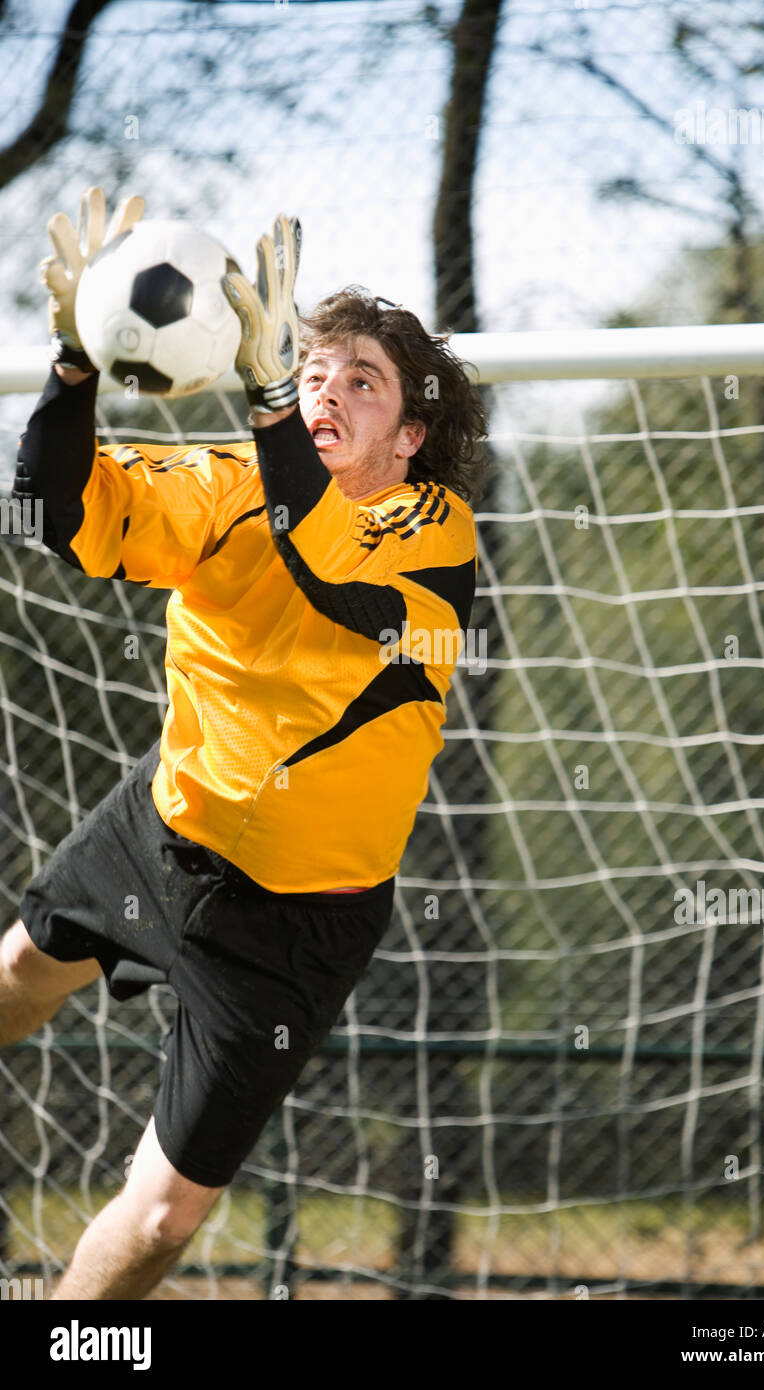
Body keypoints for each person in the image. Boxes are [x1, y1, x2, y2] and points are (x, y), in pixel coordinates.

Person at [0, 187, 487, 1300]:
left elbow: (321, 565)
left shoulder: (431, 533)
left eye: (361, 381)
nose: (326, 388)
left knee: (167, 1214)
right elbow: (48, 511)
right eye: (311, 370)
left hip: (298, 917)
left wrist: (272, 401)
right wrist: (73, 365)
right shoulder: (224, 480)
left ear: (409, 437)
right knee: (20, 970)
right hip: (166, 822)